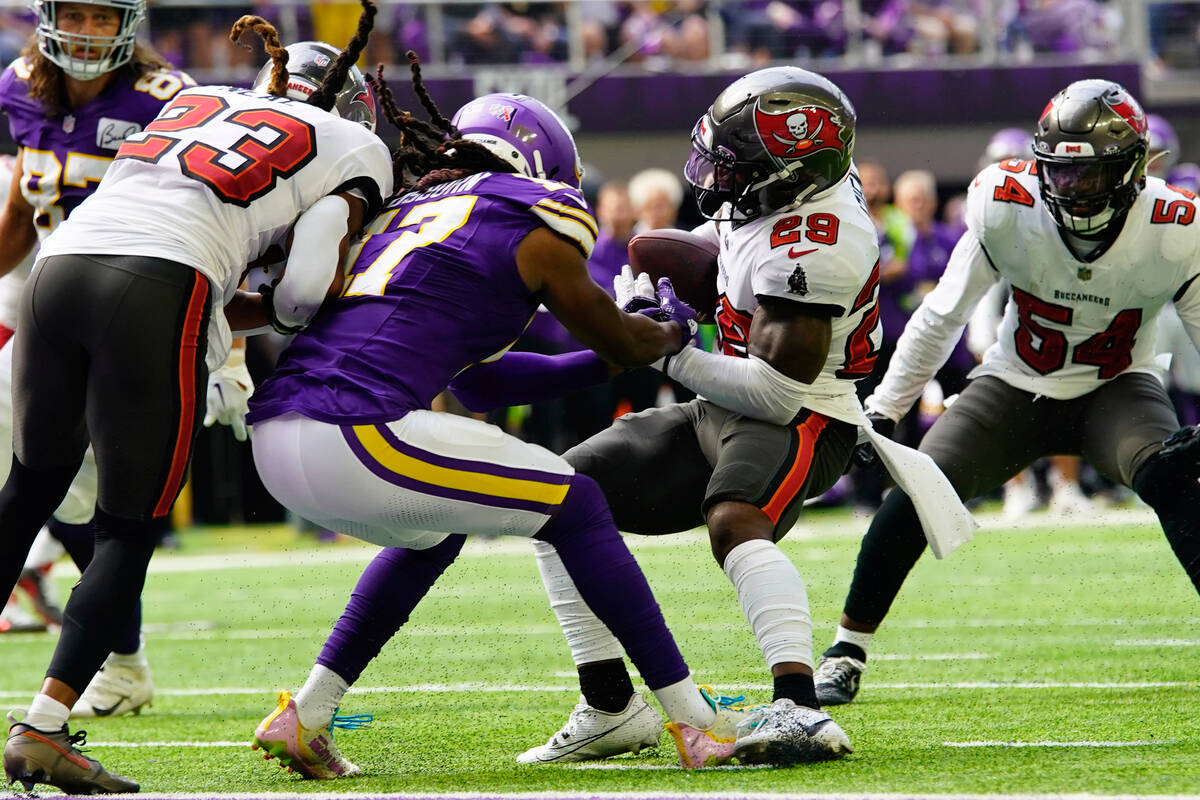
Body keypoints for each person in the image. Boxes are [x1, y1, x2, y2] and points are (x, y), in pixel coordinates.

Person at [245, 61, 761, 778]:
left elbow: (483, 385)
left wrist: (613, 356)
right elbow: (616, 337)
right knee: (575, 502)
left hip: (277, 437)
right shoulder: (532, 210)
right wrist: (666, 332)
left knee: (433, 532)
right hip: (352, 430)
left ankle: (306, 714)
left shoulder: (404, 216)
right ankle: (694, 722)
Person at [1, 3, 394, 793]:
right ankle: (43, 730)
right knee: (127, 528)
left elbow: (133, 212)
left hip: (58, 268)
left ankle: (60, 714)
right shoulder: (358, 145)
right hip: (159, 283)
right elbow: (303, 294)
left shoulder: (194, 100)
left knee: (26, 494)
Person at [813, 79, 1200, 706]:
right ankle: (846, 648)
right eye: (1061, 174)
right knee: (920, 487)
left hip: (1116, 388)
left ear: (1129, 169)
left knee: (1171, 478)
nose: (1070, 190)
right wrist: (884, 410)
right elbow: (943, 314)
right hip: (1014, 385)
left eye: (1089, 175)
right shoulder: (1007, 203)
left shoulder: (1176, 225)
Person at [0, 0, 203, 714]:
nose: (86, 31)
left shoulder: (167, 100)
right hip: (48, 311)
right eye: (74, 15)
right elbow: (27, 212)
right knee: (40, 490)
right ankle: (121, 662)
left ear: (127, 24)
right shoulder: (20, 85)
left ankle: (122, 663)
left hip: (134, 315)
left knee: (92, 501)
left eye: (99, 17)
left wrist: (230, 345)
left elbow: (207, 221)